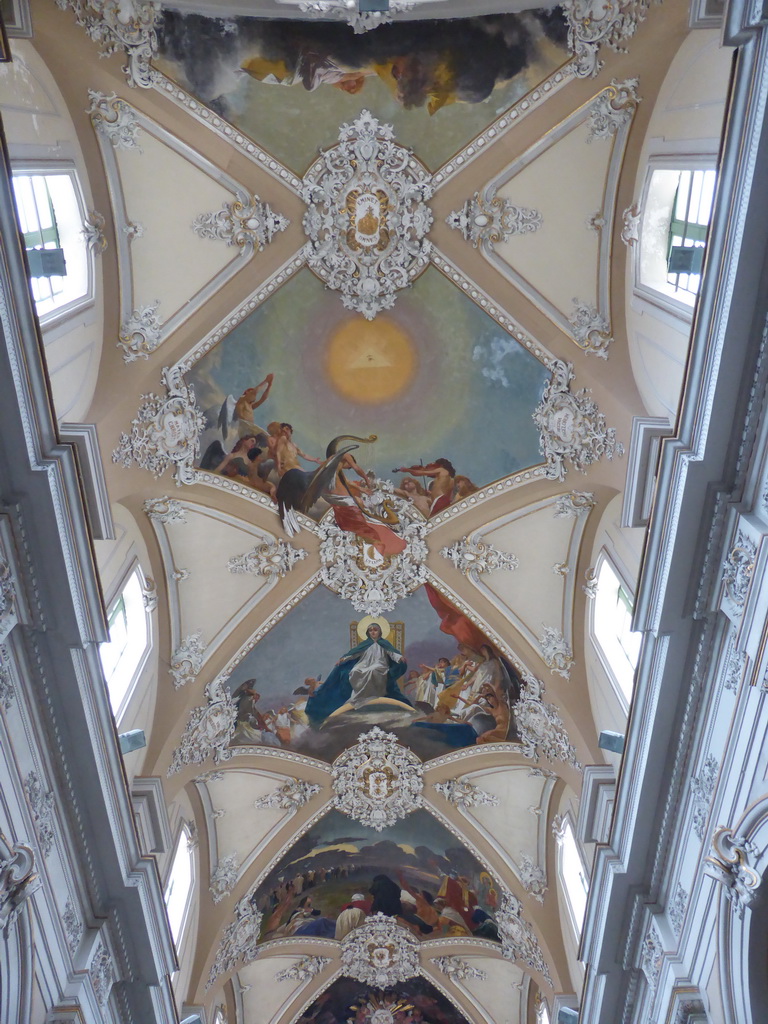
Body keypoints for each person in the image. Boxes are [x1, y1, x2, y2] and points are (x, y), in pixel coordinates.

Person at [305, 623, 411, 726]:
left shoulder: (384, 644)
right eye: (371, 630)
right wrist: (343, 659)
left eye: (375, 630)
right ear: (368, 632)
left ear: (380, 632)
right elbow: (354, 653)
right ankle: (360, 696)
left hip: (380, 664)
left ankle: (372, 695)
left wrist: (400, 658)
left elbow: (393, 654)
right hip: (364, 664)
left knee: (373, 670)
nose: (373, 632)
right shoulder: (365, 644)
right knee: (355, 671)